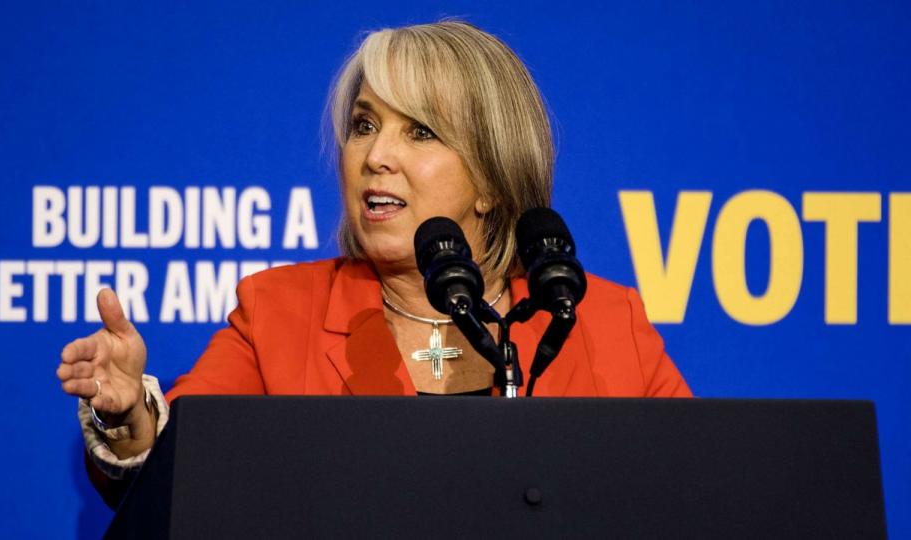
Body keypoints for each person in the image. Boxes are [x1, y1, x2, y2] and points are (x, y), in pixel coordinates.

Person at [57, 20, 691, 506]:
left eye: (419, 131)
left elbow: (692, 497)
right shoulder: (280, 313)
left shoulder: (604, 321)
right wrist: (129, 418)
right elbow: (181, 479)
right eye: (363, 125)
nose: (376, 155)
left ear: (492, 180)